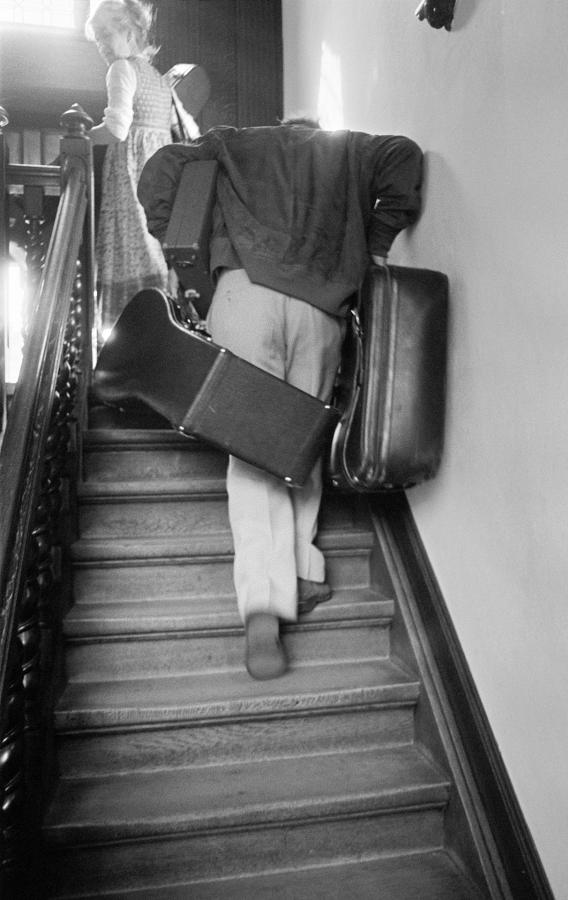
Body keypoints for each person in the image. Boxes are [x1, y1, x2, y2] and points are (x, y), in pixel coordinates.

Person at [137, 119, 423, 680]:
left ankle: (263, 606)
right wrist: (376, 245)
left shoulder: (232, 141)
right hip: (320, 309)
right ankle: (302, 568)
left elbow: (159, 171)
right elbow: (405, 157)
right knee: (301, 440)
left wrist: (181, 246)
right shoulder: (351, 149)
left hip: (246, 294)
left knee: (253, 451)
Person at [85, 0, 199, 339]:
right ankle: (156, 330)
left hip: (132, 180)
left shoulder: (122, 69)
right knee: (154, 255)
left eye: (107, 35)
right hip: (161, 181)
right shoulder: (161, 81)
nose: (103, 46)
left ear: (131, 32)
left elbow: (117, 128)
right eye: (98, 40)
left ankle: (124, 339)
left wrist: (80, 140)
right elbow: (190, 132)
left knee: (128, 248)